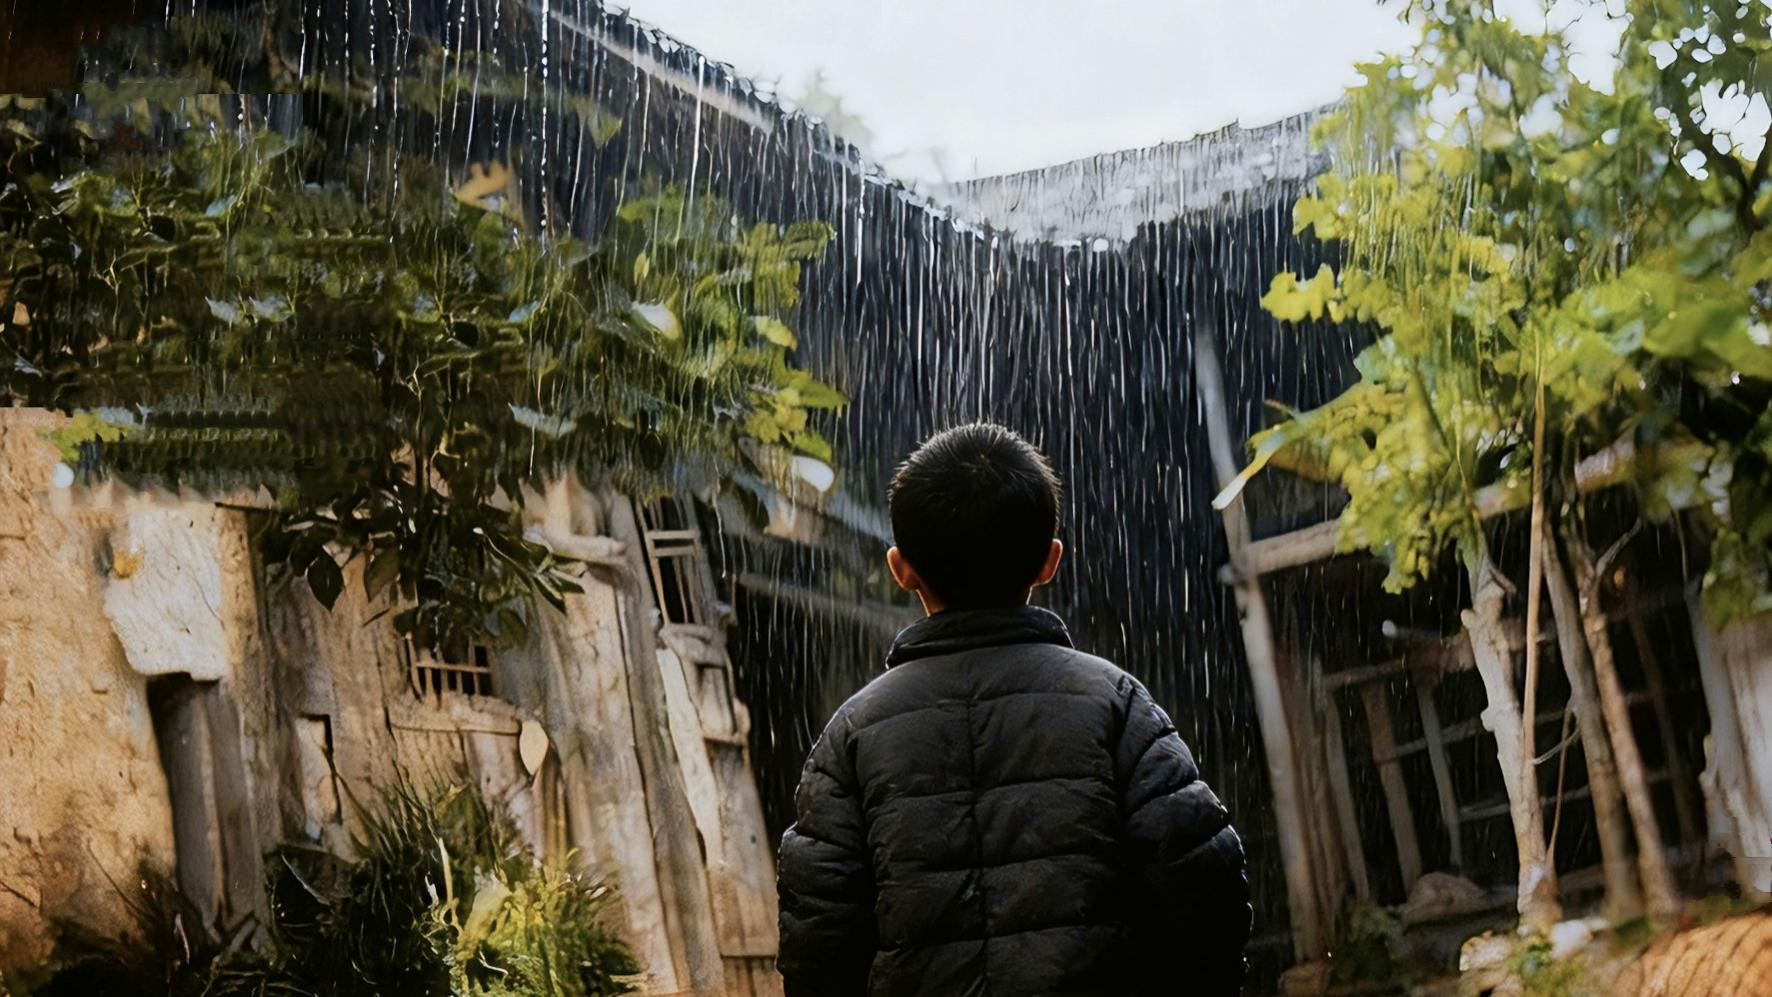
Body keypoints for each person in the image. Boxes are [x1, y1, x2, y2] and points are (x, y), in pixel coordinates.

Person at [777, 422, 1251, 996]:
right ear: (1049, 561)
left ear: (901, 569)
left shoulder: (851, 734)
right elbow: (1204, 891)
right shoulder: (1115, 703)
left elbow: (818, 938)